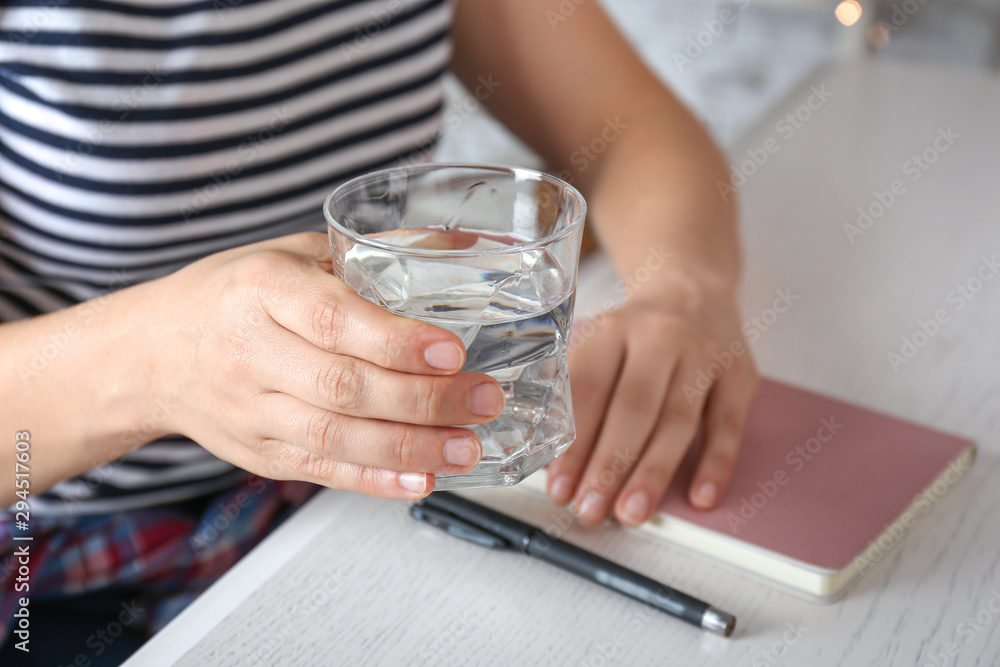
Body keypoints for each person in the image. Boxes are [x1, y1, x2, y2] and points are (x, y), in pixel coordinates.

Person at [0, 0, 759, 658]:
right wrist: (156, 363)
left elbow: (625, 130)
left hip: (344, 511)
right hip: (55, 566)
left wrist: (685, 291)